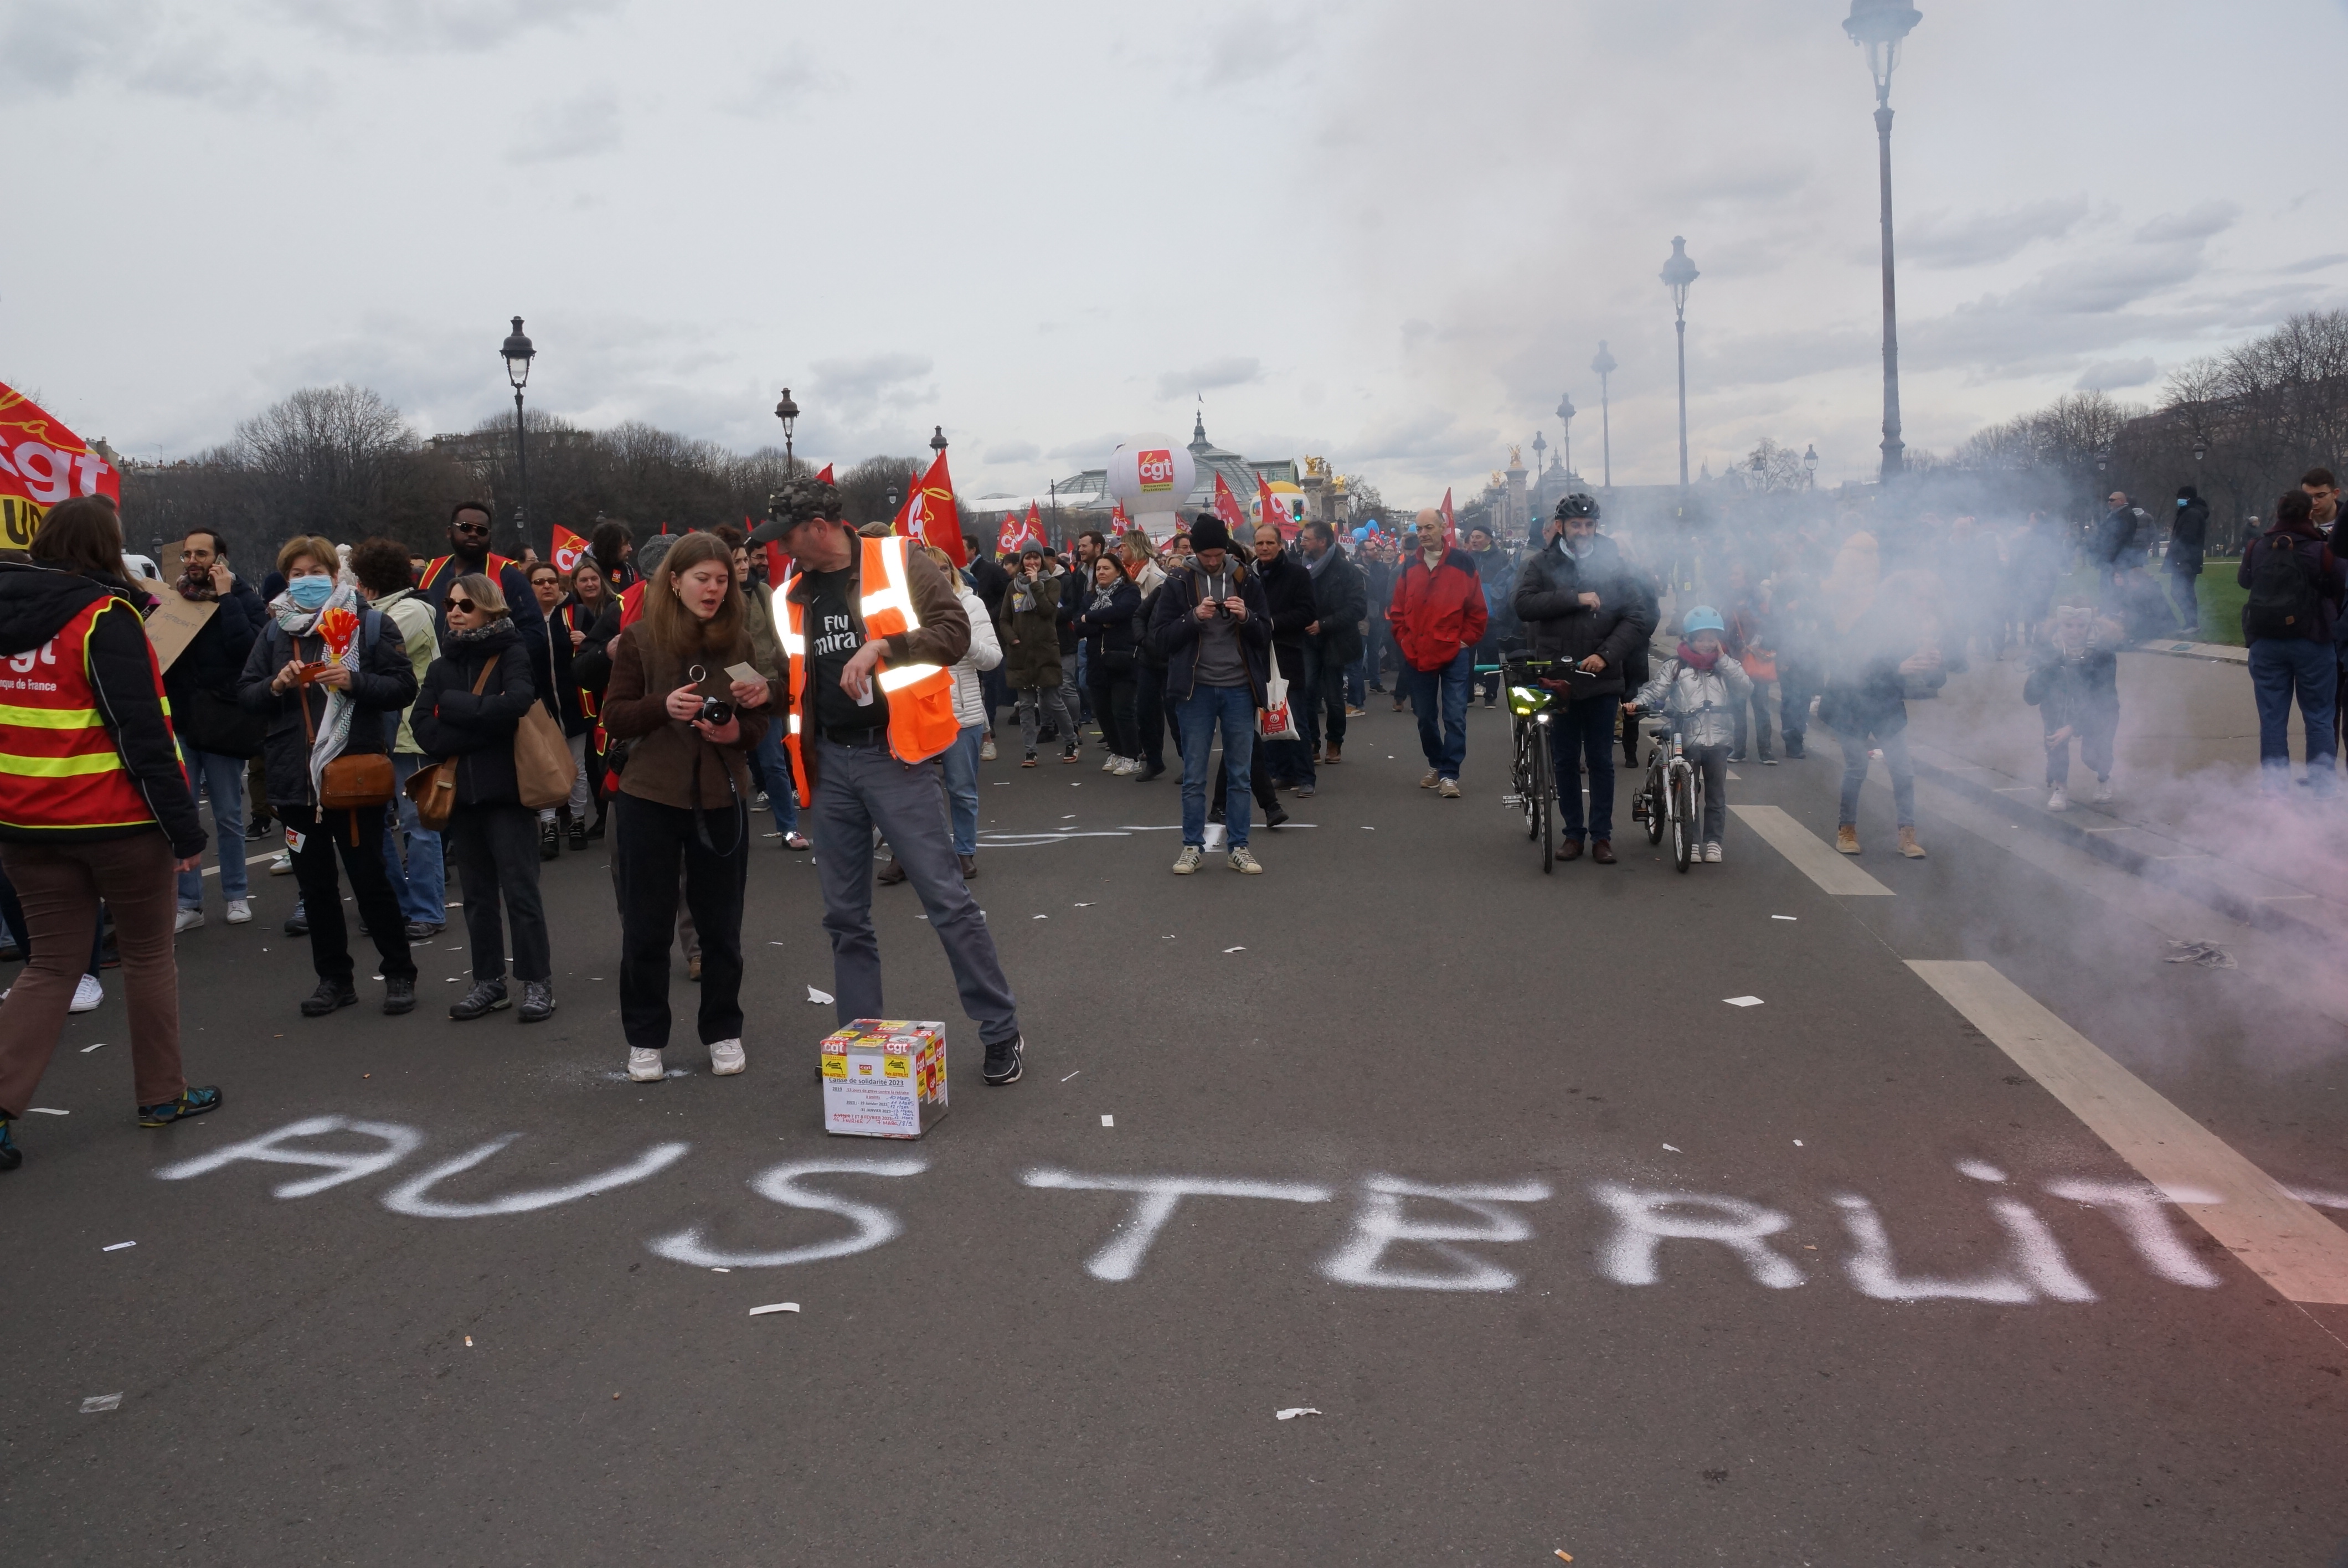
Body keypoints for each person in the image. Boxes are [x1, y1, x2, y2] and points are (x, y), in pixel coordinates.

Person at [753, 475, 1028, 1085]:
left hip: (895, 756)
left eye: (787, 536)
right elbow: (794, 679)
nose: (780, 548)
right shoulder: (791, 593)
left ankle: (1000, 1029)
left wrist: (883, 647)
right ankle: (858, 1047)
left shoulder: (899, 560)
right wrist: (760, 694)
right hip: (829, 763)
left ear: (819, 528)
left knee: (946, 901)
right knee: (844, 917)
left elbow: (955, 633)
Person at [0, 496, 220, 1172]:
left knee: (49, 967)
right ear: (106, 548)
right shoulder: (104, 616)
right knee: (149, 957)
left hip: (23, 823)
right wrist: (185, 831)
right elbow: (142, 734)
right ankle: (162, 1095)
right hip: (117, 822)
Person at [600, 533, 765, 1081]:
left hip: (720, 798)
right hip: (649, 797)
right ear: (674, 581)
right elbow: (615, 715)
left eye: (721, 580)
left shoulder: (738, 643)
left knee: (721, 928)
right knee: (646, 927)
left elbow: (757, 723)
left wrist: (738, 730)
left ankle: (723, 1029)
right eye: (702, 579)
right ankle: (645, 1038)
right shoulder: (640, 639)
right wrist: (661, 706)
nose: (713, 589)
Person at [238, 534, 421, 1015]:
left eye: (315, 573)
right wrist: (275, 684)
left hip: (351, 775)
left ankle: (399, 973)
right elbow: (246, 694)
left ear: (335, 576)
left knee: (370, 879)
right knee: (316, 889)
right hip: (294, 782)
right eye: (296, 574)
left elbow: (404, 686)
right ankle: (335, 980)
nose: (306, 581)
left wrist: (354, 680)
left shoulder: (369, 623)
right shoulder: (275, 632)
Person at [410, 574, 555, 1022]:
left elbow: (516, 706)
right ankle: (489, 981)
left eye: (466, 605)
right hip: (461, 797)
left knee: (521, 893)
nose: (455, 611)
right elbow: (423, 727)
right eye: (450, 604)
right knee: (476, 896)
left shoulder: (512, 652)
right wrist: (480, 726)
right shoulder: (442, 666)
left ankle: (537, 981)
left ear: (489, 608)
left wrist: (453, 708)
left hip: (508, 793)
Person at [1512, 494, 1651, 860]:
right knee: (1565, 760)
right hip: (1557, 677)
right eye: (1576, 525)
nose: (1584, 531)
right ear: (1561, 527)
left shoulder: (1615, 566)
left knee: (1602, 760)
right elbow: (1523, 605)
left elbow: (1636, 617)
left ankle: (1601, 837)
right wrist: (1574, 598)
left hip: (1601, 677)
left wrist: (1606, 656)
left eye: (1589, 525)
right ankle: (1573, 834)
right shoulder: (1541, 564)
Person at [1145, 513, 1272, 874]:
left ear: (1227, 550)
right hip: (1195, 689)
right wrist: (1193, 617)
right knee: (1195, 775)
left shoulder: (1245, 578)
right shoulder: (1178, 581)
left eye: (1219, 555)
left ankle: (1239, 847)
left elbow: (1266, 633)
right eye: (1206, 556)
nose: (1213, 562)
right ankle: (1191, 846)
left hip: (1239, 688)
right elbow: (1160, 638)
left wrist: (1247, 617)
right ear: (1195, 553)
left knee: (1240, 773)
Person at [162, 528, 261, 931]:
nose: (192, 561)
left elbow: (248, 649)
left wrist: (226, 598)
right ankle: (189, 903)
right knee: (185, 817)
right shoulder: (174, 600)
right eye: (187, 554)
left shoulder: (242, 597)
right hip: (182, 722)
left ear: (220, 558)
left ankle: (236, 894)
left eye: (201, 554)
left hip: (222, 724)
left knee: (228, 815)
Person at [351, 538, 446, 940]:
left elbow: (361, 656)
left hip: (411, 734)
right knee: (377, 825)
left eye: (357, 579)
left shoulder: (411, 611)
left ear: (370, 581)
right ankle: (395, 906)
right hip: (378, 734)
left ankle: (427, 910)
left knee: (418, 826)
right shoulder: (374, 612)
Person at [1817, 535, 1935, 858]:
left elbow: (1928, 676)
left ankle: (1907, 835)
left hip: (1885, 705)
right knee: (1857, 766)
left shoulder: (1913, 623)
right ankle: (1846, 830)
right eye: (1920, 599)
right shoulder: (1863, 617)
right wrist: (1898, 668)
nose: (1924, 606)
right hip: (1849, 702)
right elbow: (1854, 665)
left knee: (1904, 771)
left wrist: (1932, 664)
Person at [2238, 489, 2346, 796]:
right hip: (2313, 639)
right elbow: (2340, 584)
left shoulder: (2257, 547)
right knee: (2320, 717)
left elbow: (2245, 581)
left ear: (2278, 513)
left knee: (2272, 719)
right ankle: (2322, 788)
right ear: (2309, 514)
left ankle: (2275, 790)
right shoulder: (2321, 550)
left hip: (2266, 640)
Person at [1626, 606, 1749, 863]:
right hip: (1687, 738)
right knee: (1688, 794)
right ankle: (1690, 841)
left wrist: (1723, 660)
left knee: (1716, 795)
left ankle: (1714, 842)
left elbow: (1746, 687)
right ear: (1688, 639)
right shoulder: (1675, 666)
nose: (1707, 644)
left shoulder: (1726, 666)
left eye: (1711, 639)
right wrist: (1637, 704)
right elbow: (1655, 691)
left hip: (1719, 740)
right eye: (1701, 639)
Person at [1389, 512, 1487, 800]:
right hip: (1418, 654)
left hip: (1454, 653)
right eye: (1419, 528)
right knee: (1425, 717)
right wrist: (1404, 640)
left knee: (1455, 716)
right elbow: (1397, 611)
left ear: (1443, 528)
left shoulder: (1463, 562)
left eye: (1429, 527)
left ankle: (1449, 774)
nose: (1423, 533)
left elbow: (1477, 609)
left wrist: (1465, 641)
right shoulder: (1409, 567)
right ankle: (1436, 763)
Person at [928, 542, 1000, 877]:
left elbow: (992, 659)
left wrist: (963, 637)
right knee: (915, 794)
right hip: (917, 714)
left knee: (961, 790)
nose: (938, 575)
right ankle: (909, 856)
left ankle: (964, 852)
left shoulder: (970, 604)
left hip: (961, 712)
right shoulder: (903, 607)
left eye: (943, 568)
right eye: (929, 570)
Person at [526, 559, 593, 858]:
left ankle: (577, 821)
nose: (547, 587)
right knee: (545, 767)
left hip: (575, 703)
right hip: (540, 707)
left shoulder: (577, 613)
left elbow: (600, 651)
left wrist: (586, 642)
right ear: (529, 588)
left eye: (552, 581)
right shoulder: (523, 619)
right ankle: (549, 826)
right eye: (539, 582)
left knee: (577, 766)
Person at [2023, 602, 2120, 811]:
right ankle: (2060, 788)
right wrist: (2041, 670)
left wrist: (2073, 727)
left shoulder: (2103, 653)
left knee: (2092, 756)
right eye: (2068, 625)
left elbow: (2103, 698)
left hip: (2100, 711)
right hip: (2059, 710)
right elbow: (2031, 698)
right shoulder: (2048, 650)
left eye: (2081, 626)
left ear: (2090, 626)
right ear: (2059, 626)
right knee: (2054, 742)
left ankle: (2104, 778)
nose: (2074, 632)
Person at [1250, 522, 1320, 795]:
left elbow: (1307, 612)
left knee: (1295, 717)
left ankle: (1305, 777)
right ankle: (1281, 773)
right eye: (1260, 543)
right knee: (1268, 718)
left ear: (1280, 545)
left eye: (1270, 543)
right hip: (1258, 654)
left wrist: (1271, 623)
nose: (1265, 548)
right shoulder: (1249, 575)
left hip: (1288, 653)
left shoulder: (1297, 574)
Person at [1000, 544, 1079, 766]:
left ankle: (1071, 741)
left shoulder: (1052, 584)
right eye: (1028, 558)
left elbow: (1048, 611)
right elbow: (1004, 619)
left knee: (1053, 700)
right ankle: (1030, 751)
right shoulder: (1013, 587)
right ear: (1022, 561)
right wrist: (1012, 639)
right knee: (1026, 705)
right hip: (1021, 653)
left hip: (1045, 651)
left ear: (1042, 560)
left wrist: (1036, 584)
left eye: (1036, 558)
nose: (1032, 562)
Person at [1298, 520, 1367, 767]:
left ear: (1322, 542)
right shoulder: (1299, 568)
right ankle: (1311, 742)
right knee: (1307, 692)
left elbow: (1358, 608)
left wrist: (1324, 624)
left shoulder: (1347, 571)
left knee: (1334, 696)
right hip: (1307, 640)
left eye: (1306, 539)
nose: (1302, 543)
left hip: (1336, 640)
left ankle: (1335, 742)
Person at [1070, 553, 1142, 775]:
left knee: (1122, 710)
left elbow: (1121, 612)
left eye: (1106, 568)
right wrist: (1102, 622)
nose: (1101, 572)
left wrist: (1091, 618)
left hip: (1122, 659)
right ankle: (1117, 752)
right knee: (1103, 711)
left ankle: (1132, 756)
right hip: (1096, 661)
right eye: (1099, 569)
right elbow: (1078, 625)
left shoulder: (1129, 592)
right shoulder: (1091, 596)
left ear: (1118, 570)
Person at [1121, 532, 1172, 781]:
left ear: (1135, 547)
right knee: (1145, 709)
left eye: (1124, 546)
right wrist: (1142, 639)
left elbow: (1161, 613)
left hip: (1163, 651)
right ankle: (1153, 759)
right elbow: (1139, 614)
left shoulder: (1156, 577)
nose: (1120, 550)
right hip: (1144, 650)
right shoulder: (1127, 575)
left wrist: (1151, 640)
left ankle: (1186, 760)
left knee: (1171, 711)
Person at [964, 536, 1011, 760]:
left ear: (973, 550)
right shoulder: (962, 573)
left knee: (990, 680)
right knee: (975, 681)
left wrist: (991, 615)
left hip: (989, 631)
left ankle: (988, 724)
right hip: (969, 635)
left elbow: (1007, 595)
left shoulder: (991, 570)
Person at [1464, 524, 1519, 708]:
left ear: (1489, 539)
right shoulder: (1467, 559)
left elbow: (1507, 585)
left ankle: (1491, 694)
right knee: (1468, 656)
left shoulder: (1501, 559)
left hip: (1491, 618)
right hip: (1470, 617)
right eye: (1473, 537)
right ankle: (1468, 695)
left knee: (1490, 656)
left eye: (1478, 537)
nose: (1474, 540)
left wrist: (1500, 609)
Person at [2165, 486, 2210, 636]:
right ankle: (2190, 623)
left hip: (2185, 560)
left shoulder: (2191, 514)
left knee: (2182, 592)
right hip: (2186, 560)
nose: (2179, 500)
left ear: (2189, 498)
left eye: (2182, 497)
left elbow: (2187, 537)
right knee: (2181, 592)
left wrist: (2177, 553)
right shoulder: (2191, 512)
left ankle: (2192, 623)